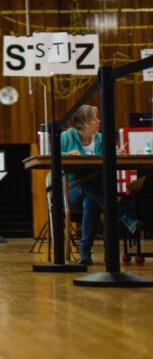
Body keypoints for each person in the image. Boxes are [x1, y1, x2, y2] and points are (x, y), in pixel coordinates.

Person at [63, 105, 141, 265]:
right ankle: (124, 217)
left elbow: (110, 154)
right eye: (94, 119)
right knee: (87, 186)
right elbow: (52, 154)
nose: (98, 121)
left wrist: (116, 153)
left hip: (96, 194)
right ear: (84, 123)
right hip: (72, 191)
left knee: (90, 202)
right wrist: (66, 154)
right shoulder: (67, 137)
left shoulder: (101, 138)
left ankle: (84, 254)